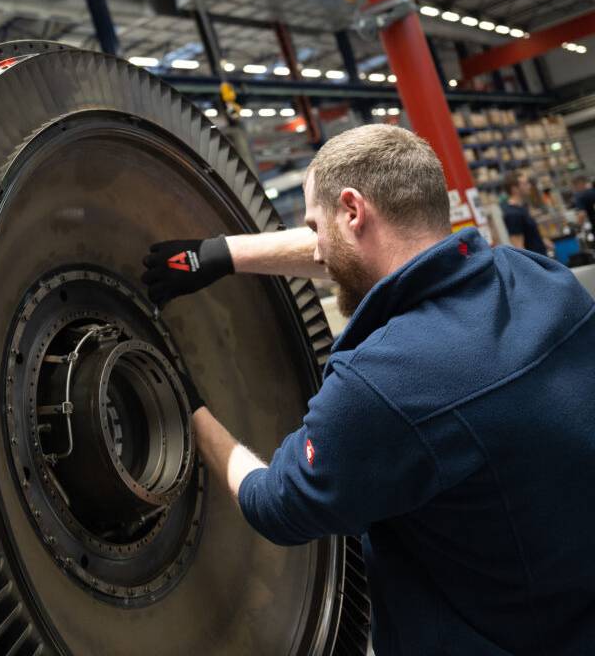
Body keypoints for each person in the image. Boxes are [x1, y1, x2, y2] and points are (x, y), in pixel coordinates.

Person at [142, 124, 595, 655]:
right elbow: (357, 251)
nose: (315, 245)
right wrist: (217, 254)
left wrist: (188, 406)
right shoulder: (539, 279)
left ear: (353, 210)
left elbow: (274, 503)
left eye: (315, 224)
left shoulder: (385, 382)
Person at [501, 170, 551, 255]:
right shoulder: (512, 214)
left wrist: (543, 242)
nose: (529, 186)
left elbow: (529, 234)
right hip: (534, 265)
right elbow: (518, 247)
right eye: (525, 184)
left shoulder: (522, 209)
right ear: (514, 189)